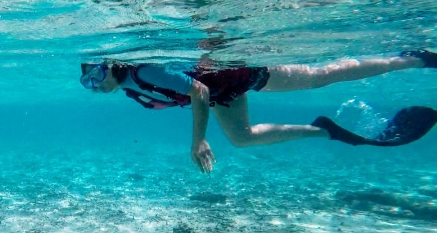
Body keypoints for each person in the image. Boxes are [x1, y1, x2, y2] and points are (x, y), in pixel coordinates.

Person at [79, 50, 437, 174]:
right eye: (87, 83)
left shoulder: (142, 72)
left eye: (96, 75)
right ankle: (326, 130)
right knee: (242, 138)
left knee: (319, 77)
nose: (95, 85)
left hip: (245, 74)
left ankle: (410, 59)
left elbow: (199, 90)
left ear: (110, 66)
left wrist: (198, 140)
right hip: (225, 92)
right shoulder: (128, 85)